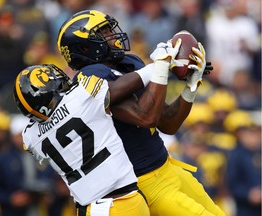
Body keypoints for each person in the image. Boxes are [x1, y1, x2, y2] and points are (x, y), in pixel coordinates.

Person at [57, 9, 225, 216]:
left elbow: (167, 124)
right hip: (144, 182)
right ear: (84, 46)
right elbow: (145, 117)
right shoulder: (89, 79)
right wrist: (160, 67)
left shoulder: (130, 63)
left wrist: (191, 86)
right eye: (105, 32)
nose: (114, 36)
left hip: (167, 166)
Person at [12, 44, 180, 216]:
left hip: (92, 207)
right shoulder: (81, 97)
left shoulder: (31, 138)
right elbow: (129, 83)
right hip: (120, 202)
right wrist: (161, 63)